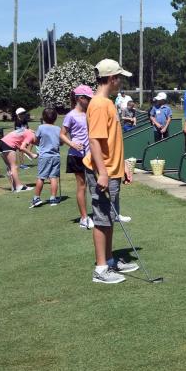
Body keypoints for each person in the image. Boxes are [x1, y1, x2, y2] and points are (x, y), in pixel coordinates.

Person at [84, 59, 139, 284]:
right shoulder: (98, 104)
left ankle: (109, 260)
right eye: (120, 77)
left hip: (112, 170)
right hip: (102, 171)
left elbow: (113, 140)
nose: (121, 82)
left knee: (110, 218)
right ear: (112, 78)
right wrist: (104, 173)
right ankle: (101, 269)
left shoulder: (107, 103)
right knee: (102, 219)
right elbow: (95, 141)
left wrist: (122, 165)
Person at [61, 85, 94, 228]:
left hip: (91, 155)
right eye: (88, 99)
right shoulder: (71, 115)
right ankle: (84, 218)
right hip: (76, 156)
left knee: (96, 184)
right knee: (82, 186)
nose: (90, 101)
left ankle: (103, 212)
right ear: (81, 99)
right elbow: (62, 134)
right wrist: (72, 144)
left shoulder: (90, 113)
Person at [30, 108, 63, 208]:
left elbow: (35, 141)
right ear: (55, 118)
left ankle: (36, 198)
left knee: (41, 177)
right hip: (56, 156)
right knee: (53, 177)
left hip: (44, 156)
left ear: (43, 117)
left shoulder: (41, 127)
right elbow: (61, 142)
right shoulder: (58, 129)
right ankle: (53, 198)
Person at [0, 126, 37, 192]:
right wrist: (31, 154)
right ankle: (19, 186)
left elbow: (19, 146)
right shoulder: (31, 135)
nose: (34, 143)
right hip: (8, 144)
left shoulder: (27, 132)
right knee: (13, 166)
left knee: (10, 167)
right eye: (37, 142)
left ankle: (14, 187)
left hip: (3, 143)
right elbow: (22, 148)